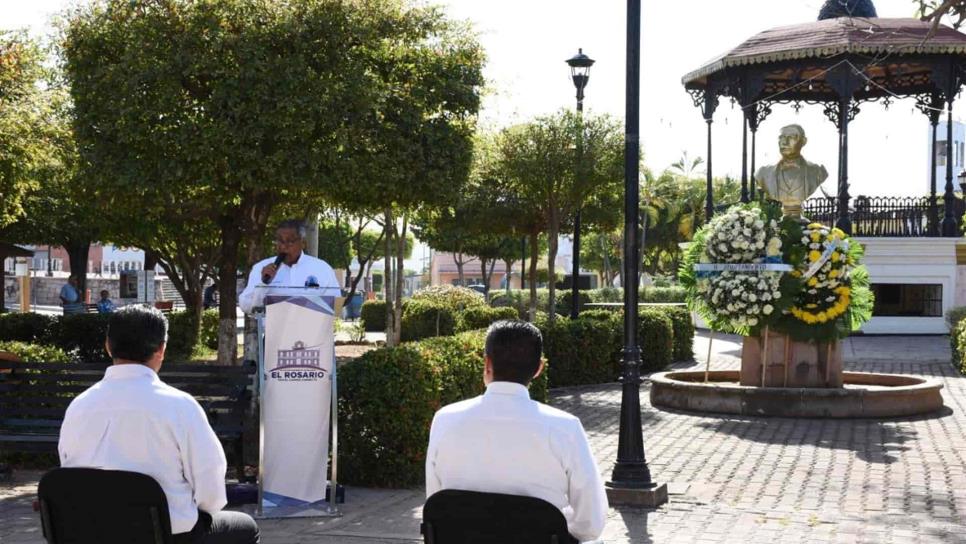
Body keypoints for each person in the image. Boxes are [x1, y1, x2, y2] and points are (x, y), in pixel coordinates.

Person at [58, 306, 259, 543]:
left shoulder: (79, 406)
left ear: (108, 346)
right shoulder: (179, 405)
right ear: (161, 349)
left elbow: (70, 469)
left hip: (91, 532)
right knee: (246, 527)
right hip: (166, 534)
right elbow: (210, 485)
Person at [425, 320, 608, 543]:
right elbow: (590, 522)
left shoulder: (445, 419)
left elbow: (436, 503)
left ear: (487, 363)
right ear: (539, 368)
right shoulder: (565, 428)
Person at [238, 219, 340, 313]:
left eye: (290, 241)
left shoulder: (321, 268)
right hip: (275, 332)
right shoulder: (261, 268)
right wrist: (263, 283)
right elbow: (245, 305)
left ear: (303, 243)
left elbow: (336, 306)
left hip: (314, 331)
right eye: (280, 241)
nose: (283, 246)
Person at [755, 124, 829, 217]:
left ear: (804, 141)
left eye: (791, 137)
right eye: (781, 137)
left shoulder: (817, 172)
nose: (784, 142)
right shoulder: (763, 173)